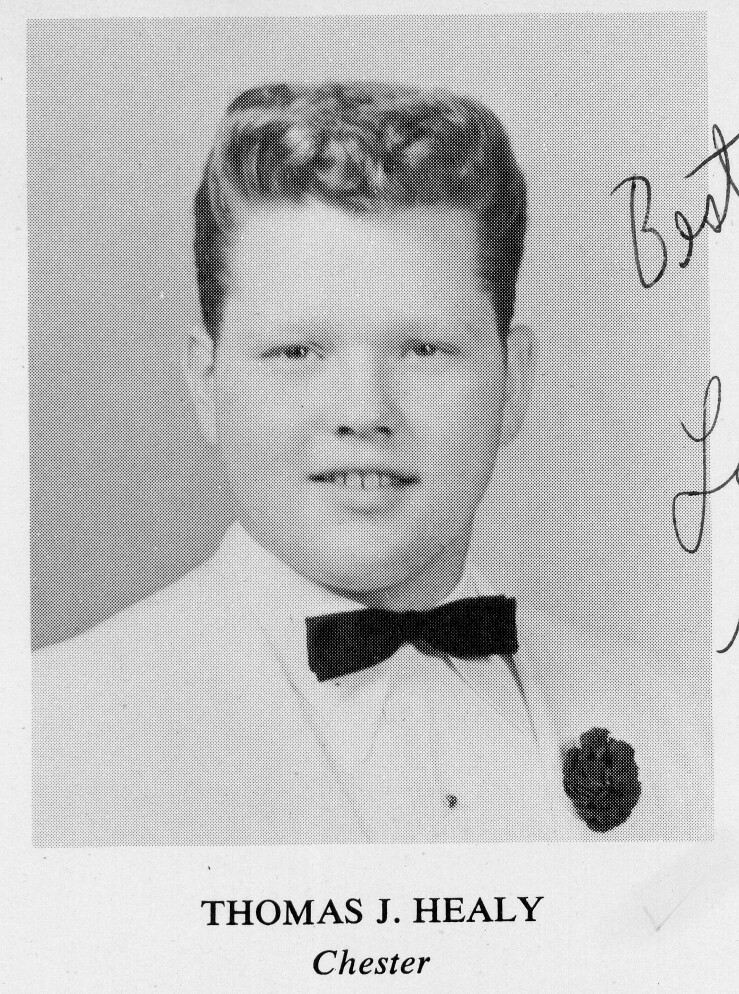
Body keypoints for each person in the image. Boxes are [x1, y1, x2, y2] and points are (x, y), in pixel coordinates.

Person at [33, 82, 710, 844]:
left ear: (513, 383)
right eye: (296, 351)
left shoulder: (684, 727)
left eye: (423, 349)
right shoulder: (50, 734)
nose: (363, 411)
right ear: (206, 383)